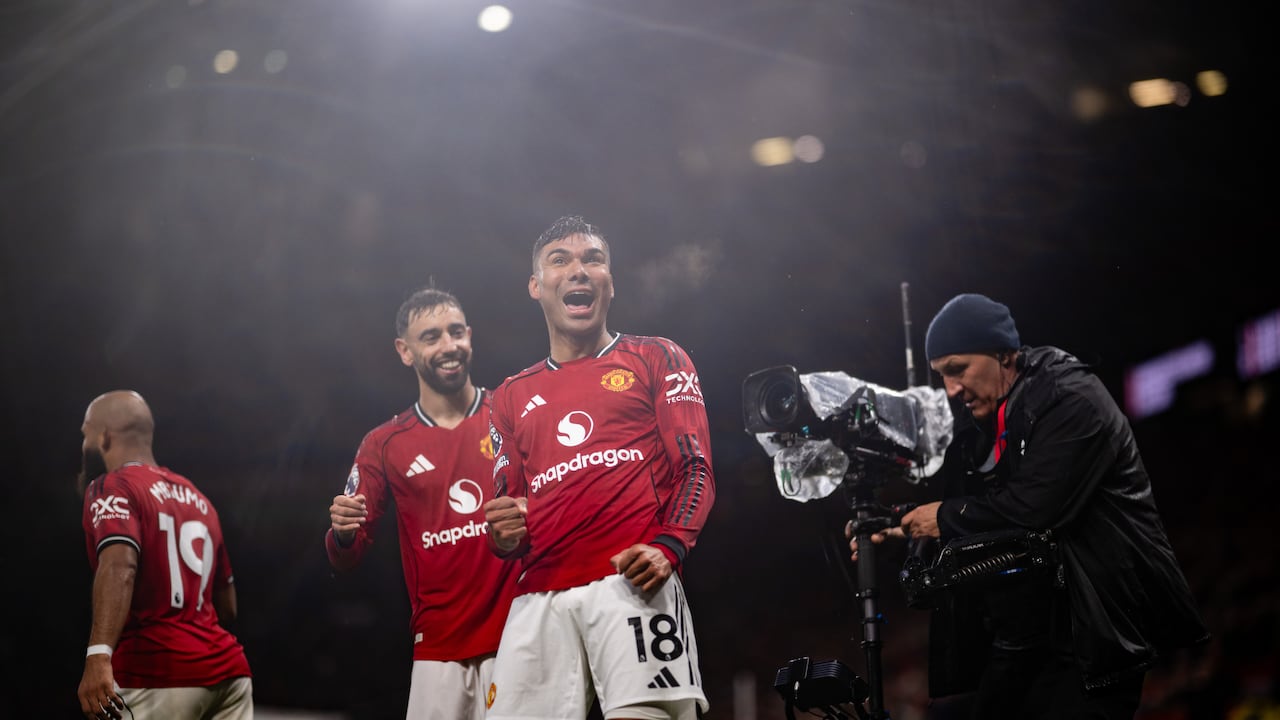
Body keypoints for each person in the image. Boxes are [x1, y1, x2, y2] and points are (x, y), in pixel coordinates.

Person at [850, 293, 1209, 719]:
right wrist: (901, 535)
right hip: (1024, 639)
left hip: (1092, 641)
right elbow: (973, 517)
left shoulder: (1072, 398)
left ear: (1004, 354)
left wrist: (940, 518)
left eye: (958, 370)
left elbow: (1031, 510)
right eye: (941, 376)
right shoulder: (986, 420)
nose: (951, 389)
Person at [482, 215, 716, 720]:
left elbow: (695, 470)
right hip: (537, 596)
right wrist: (503, 534)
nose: (579, 271)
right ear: (535, 285)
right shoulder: (508, 397)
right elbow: (510, 515)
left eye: (593, 260)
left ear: (610, 280)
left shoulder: (658, 357)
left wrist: (668, 547)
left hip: (631, 584)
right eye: (559, 260)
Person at [325, 286, 518, 720]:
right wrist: (341, 530)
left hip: (521, 635)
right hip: (438, 648)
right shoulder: (384, 443)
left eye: (455, 332)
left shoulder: (511, 414)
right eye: (431, 337)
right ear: (405, 351)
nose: (449, 346)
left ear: (470, 335)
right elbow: (347, 554)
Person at [77, 390, 253, 720]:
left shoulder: (113, 485)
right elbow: (228, 606)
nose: (84, 442)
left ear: (103, 436)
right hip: (230, 674)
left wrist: (98, 656)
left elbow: (120, 566)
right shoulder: (200, 499)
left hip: (157, 673)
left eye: (85, 432)